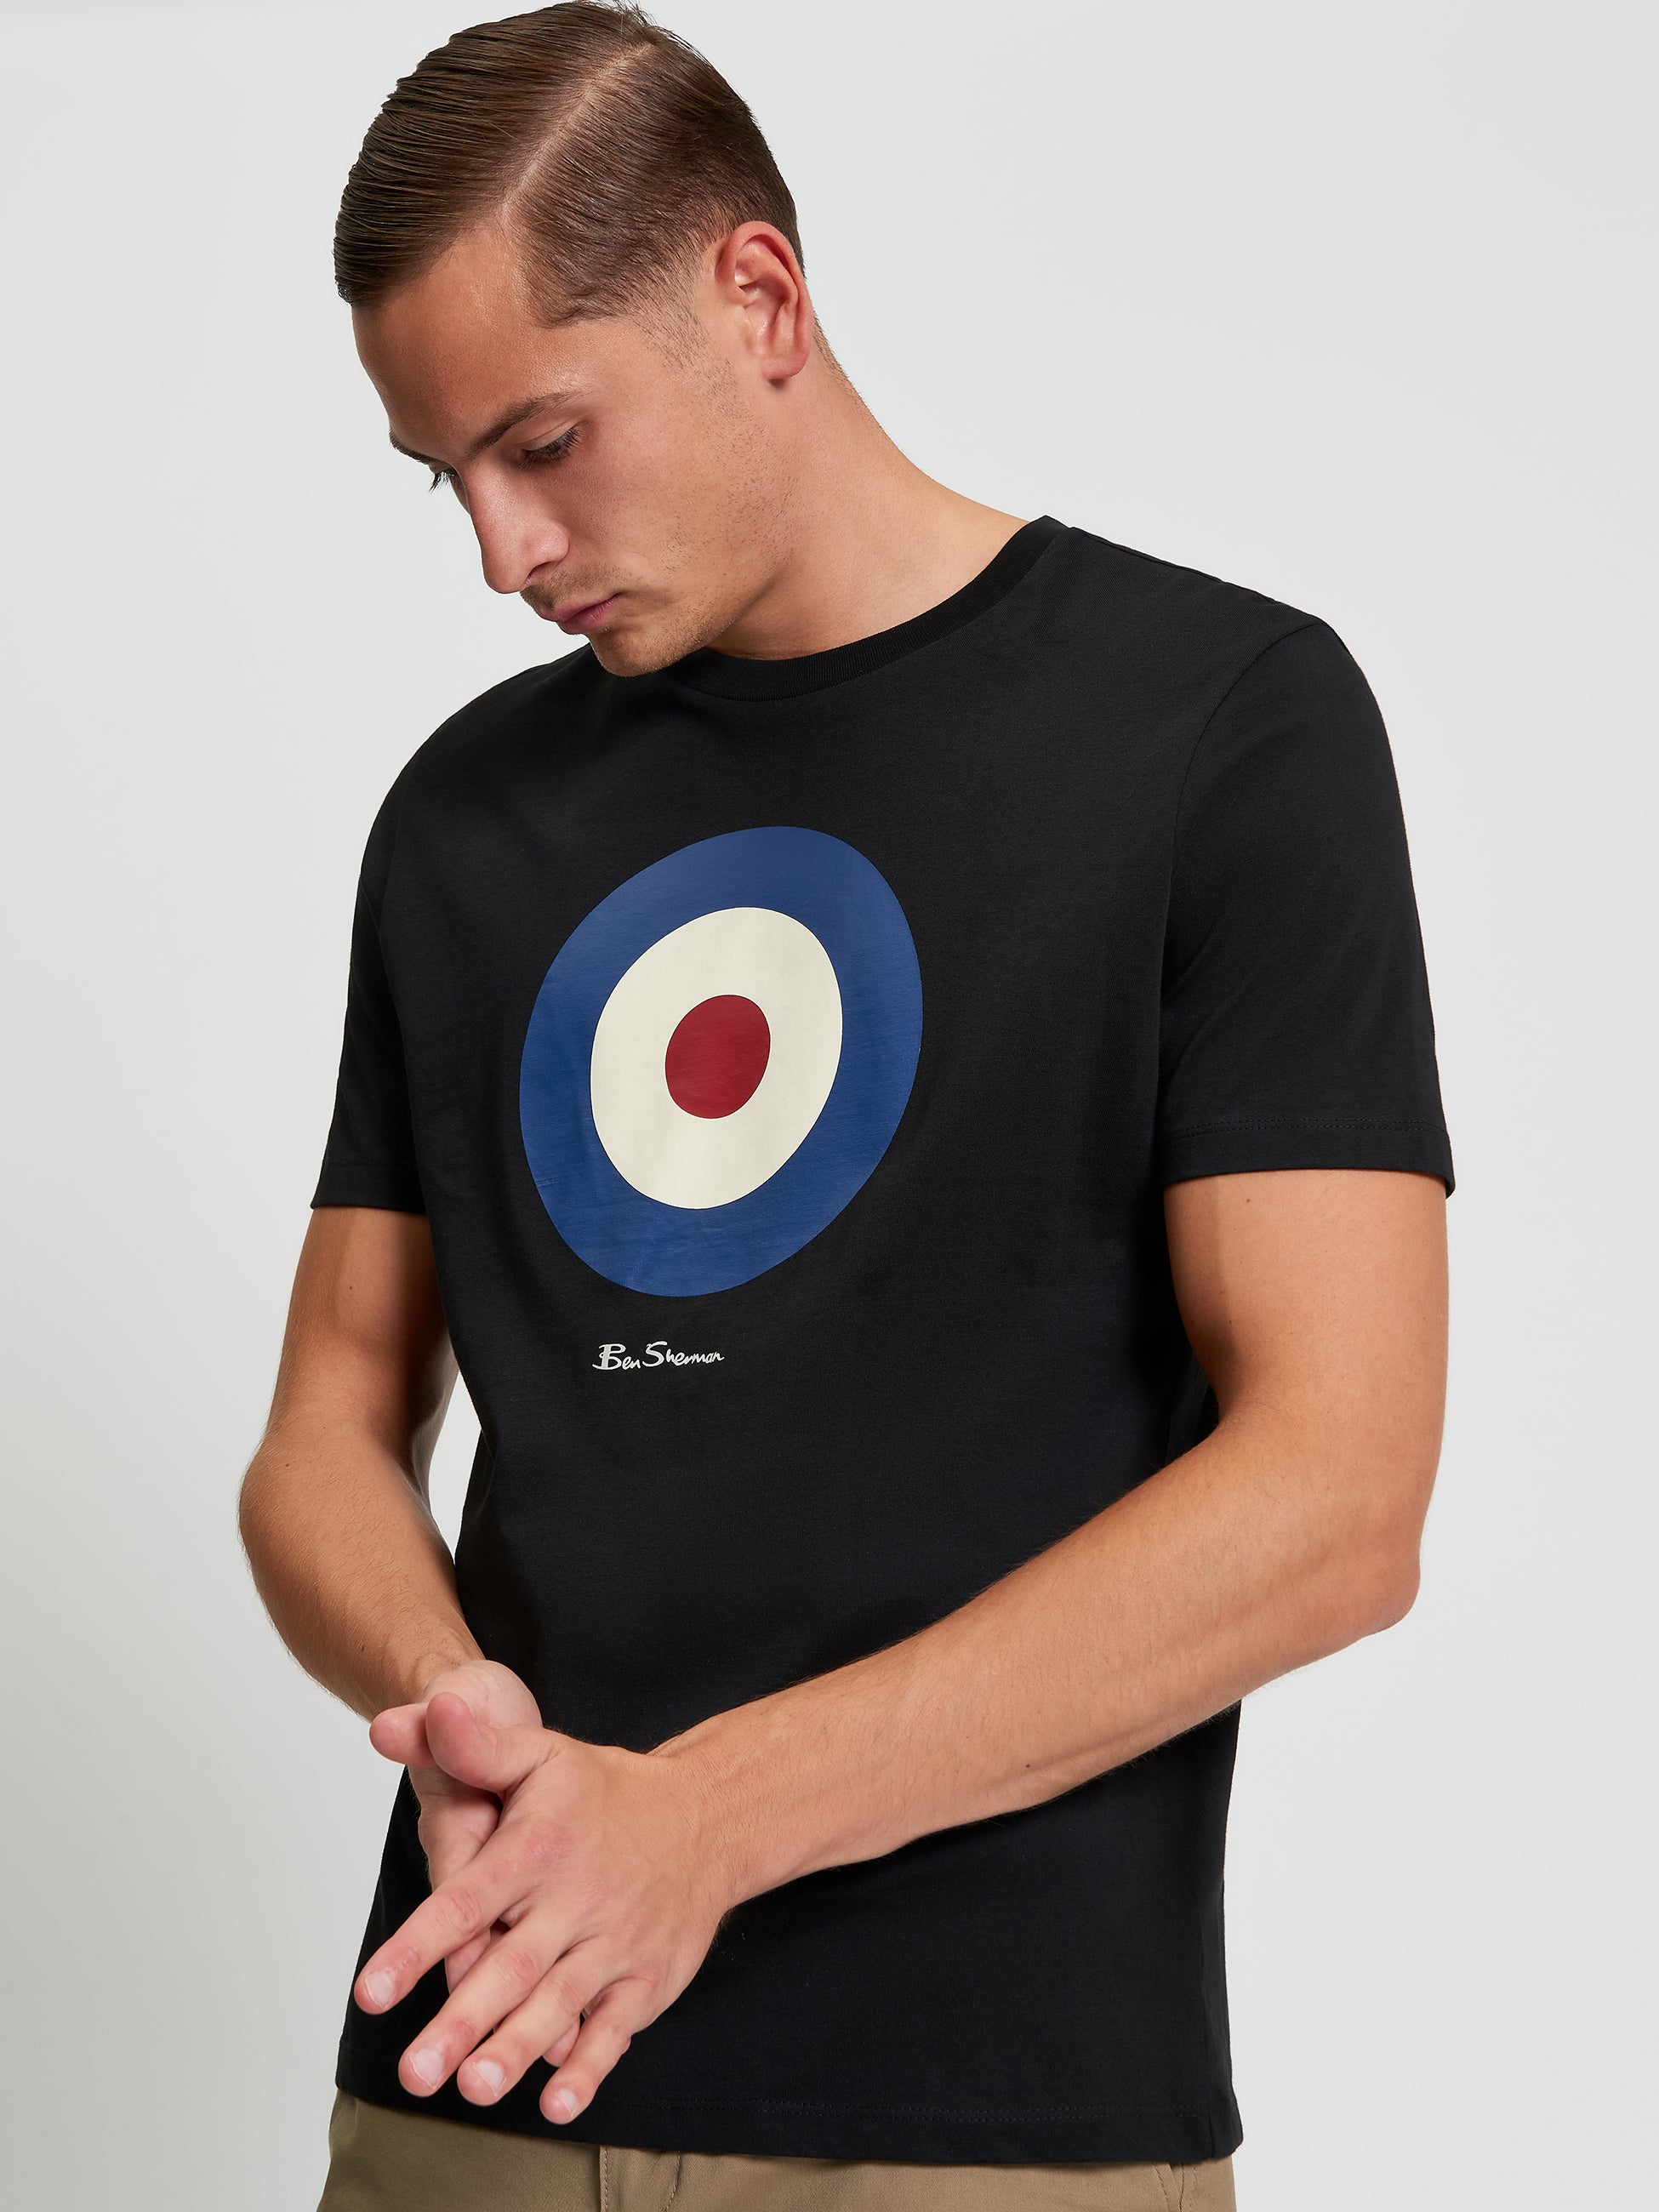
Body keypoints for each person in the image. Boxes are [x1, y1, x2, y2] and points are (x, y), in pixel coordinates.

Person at [238, 5, 1454, 2206]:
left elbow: (1339, 1496)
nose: (502, 553)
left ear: (759, 297)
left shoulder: (1221, 730)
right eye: (447, 477)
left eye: (544, 441)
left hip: (984, 2133)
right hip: (469, 2078)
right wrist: (448, 1694)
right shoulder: (464, 820)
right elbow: (325, 1428)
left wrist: (702, 1825)